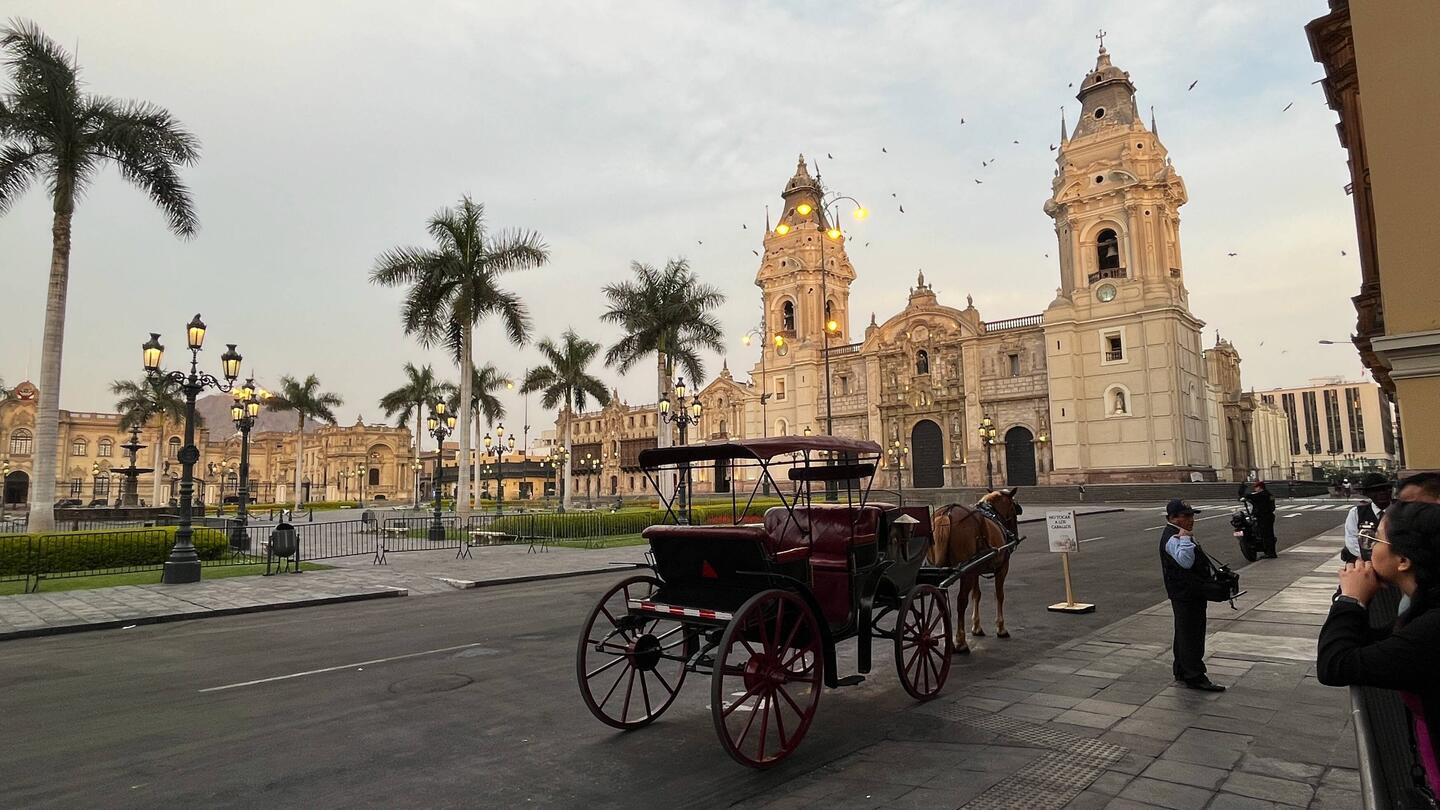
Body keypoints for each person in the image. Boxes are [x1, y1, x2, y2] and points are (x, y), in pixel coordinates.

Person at [1317, 500, 1440, 801]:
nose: (1368, 548)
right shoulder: (1423, 609)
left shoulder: (1432, 628)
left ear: (1403, 560)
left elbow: (1336, 663)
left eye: (1375, 540)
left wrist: (1350, 601)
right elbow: (1378, 643)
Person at [1160, 499, 1225, 692]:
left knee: (1183, 632)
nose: (1191, 520)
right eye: (1186, 516)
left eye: (1192, 516)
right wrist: (1186, 539)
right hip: (1186, 593)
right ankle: (1195, 676)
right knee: (1192, 635)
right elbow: (1185, 562)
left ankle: (1181, 669)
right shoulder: (1174, 537)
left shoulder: (1176, 534)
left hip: (1185, 592)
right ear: (1172, 518)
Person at [1343, 473, 1393, 563]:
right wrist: (1372, 558)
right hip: (1366, 562)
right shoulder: (1356, 513)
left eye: (1385, 489)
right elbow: (1352, 540)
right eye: (1376, 490)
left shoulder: (1403, 510)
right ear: (1367, 493)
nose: (1382, 493)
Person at [1244, 481, 1278, 558]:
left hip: (1264, 517)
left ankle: (1270, 553)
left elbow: (1252, 496)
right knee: (1269, 535)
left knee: (1266, 535)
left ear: (1260, 487)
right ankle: (1270, 552)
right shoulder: (1269, 494)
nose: (1255, 489)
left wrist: (1245, 496)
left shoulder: (1263, 495)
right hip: (1269, 516)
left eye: (1256, 487)